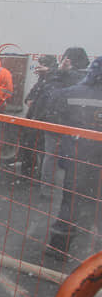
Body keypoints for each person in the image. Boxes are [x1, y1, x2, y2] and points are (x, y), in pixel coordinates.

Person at [43, 56, 102, 262]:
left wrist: (59, 74)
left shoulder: (73, 92)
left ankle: (58, 247)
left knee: (71, 203)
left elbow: (50, 101)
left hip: (78, 158)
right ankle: (98, 259)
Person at [35, 47, 90, 193]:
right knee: (65, 158)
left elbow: (49, 92)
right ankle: (65, 190)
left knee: (52, 156)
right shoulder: (79, 77)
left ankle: (49, 189)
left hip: (59, 121)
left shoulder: (69, 76)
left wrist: (55, 72)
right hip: (71, 123)